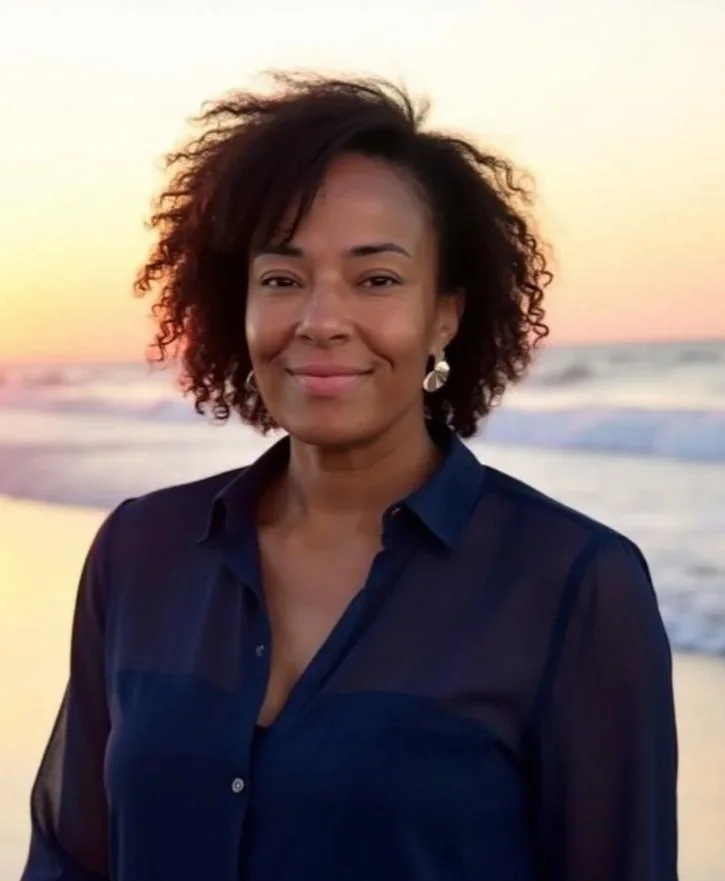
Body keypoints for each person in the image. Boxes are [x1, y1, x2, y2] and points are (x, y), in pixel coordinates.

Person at [21, 72, 678, 881]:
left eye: (376, 279)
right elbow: (69, 857)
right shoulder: (140, 551)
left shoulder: (572, 586)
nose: (320, 319)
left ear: (446, 312)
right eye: (281, 278)